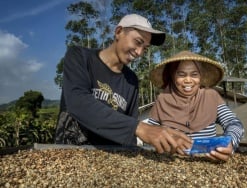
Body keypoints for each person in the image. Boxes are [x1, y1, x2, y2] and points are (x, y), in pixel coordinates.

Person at [55, 14, 192, 154]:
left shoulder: (131, 80)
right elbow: (78, 102)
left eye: (145, 48)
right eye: (138, 42)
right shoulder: (80, 56)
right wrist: (140, 128)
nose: (139, 52)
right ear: (118, 32)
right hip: (69, 153)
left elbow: (128, 128)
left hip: (108, 158)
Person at [146, 51, 244, 161]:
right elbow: (150, 132)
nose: (188, 80)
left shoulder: (211, 96)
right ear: (173, 76)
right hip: (171, 163)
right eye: (181, 74)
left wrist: (230, 142)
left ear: (200, 77)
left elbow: (233, 122)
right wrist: (169, 140)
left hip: (208, 161)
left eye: (194, 74)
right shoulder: (162, 99)